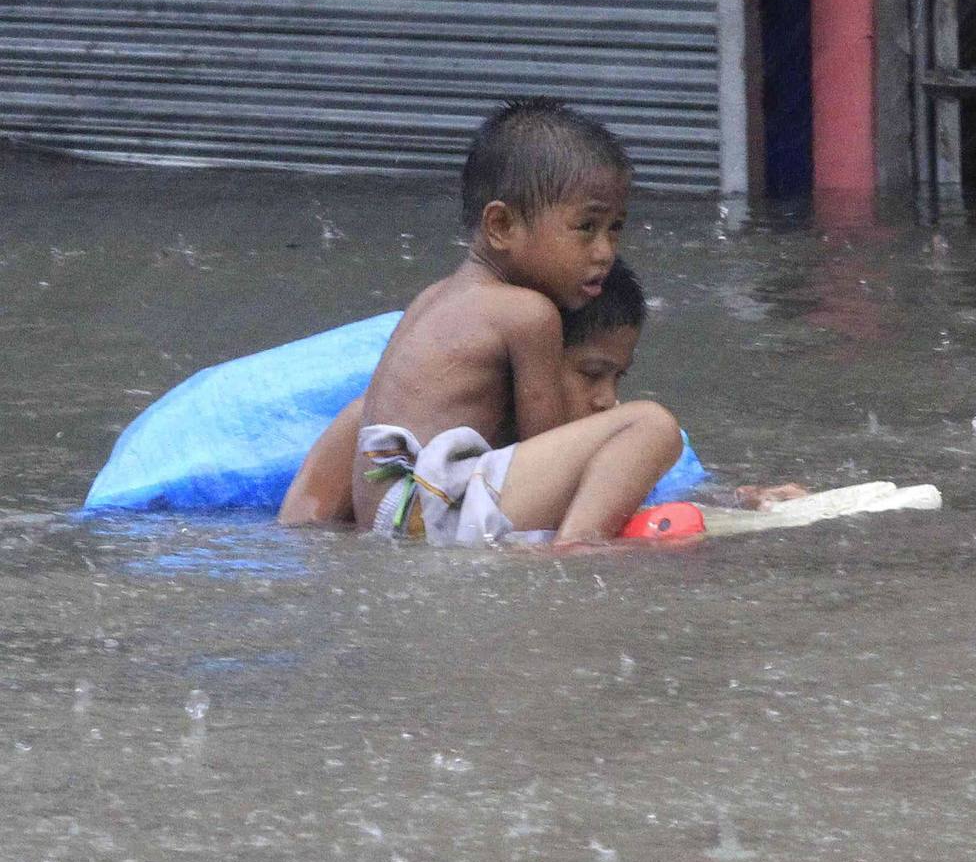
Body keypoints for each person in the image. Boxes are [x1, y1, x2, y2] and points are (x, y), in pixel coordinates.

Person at [348, 97, 680, 545]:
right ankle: (579, 547)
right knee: (652, 426)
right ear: (501, 225)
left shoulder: (434, 297)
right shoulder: (529, 314)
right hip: (427, 514)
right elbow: (552, 444)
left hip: (390, 511)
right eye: (586, 227)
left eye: (615, 228)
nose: (605, 251)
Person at [280, 257, 649, 529]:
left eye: (618, 378)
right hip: (427, 532)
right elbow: (300, 536)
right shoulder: (381, 426)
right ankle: (578, 549)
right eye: (592, 374)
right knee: (651, 425)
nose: (605, 399)